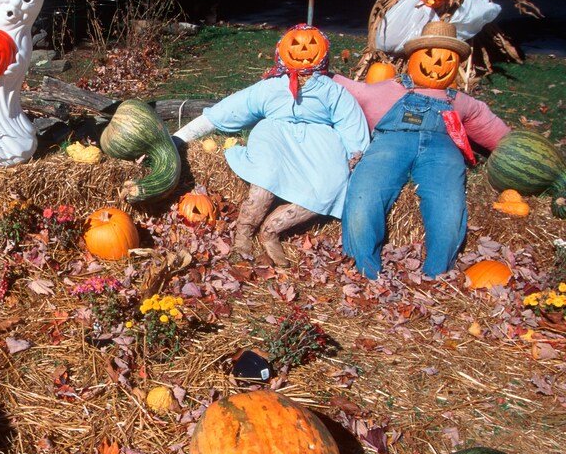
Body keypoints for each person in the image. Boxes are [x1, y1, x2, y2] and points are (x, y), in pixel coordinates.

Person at [173, 24, 370, 266]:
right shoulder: (271, 86)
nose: (304, 49)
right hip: (275, 135)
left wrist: (355, 154)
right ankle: (243, 233)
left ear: (324, 51)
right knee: (265, 177)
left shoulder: (333, 91)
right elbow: (229, 110)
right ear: (282, 49)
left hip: (319, 143)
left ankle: (271, 230)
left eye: (311, 44)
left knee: (331, 184)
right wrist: (180, 138)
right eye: (296, 44)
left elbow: (350, 121)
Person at [333, 20, 510, 279]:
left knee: (448, 204)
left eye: (447, 58)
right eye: (429, 55)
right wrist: (319, 75)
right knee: (364, 194)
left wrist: (521, 152)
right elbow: (351, 90)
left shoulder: (460, 101)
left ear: (457, 65)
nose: (437, 64)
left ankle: (435, 275)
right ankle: (365, 270)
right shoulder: (387, 89)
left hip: (442, 150)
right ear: (413, 58)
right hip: (390, 144)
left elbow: (496, 133)